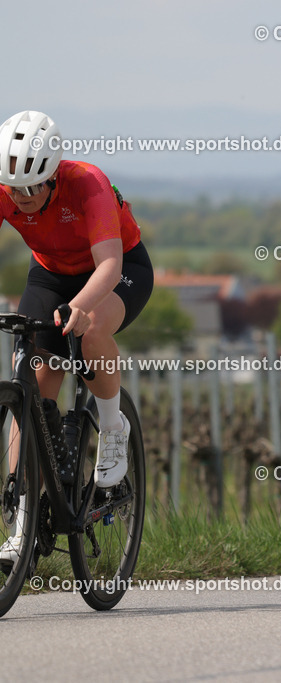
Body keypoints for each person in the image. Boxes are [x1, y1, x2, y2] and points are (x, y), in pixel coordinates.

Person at [0, 111, 153, 561]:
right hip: (50, 274)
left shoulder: (87, 183)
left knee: (90, 333)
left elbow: (110, 264)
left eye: (32, 188)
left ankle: (112, 427)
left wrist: (82, 307)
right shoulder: (5, 190)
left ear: (52, 175)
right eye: (13, 189)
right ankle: (22, 526)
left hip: (117, 269)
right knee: (33, 379)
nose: (21, 198)